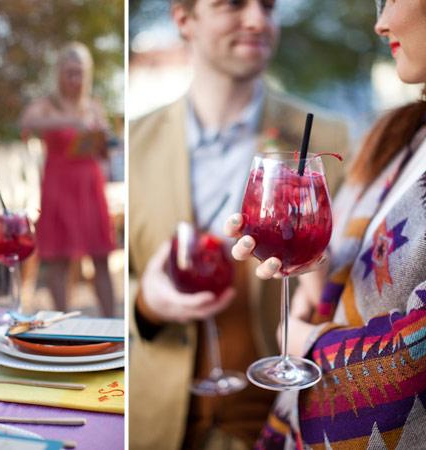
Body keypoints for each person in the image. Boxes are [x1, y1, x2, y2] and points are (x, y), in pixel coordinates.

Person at [129, 0, 350, 449]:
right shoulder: (135, 143)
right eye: (233, 4)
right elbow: (125, 277)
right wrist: (146, 302)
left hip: (283, 420)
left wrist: (322, 285)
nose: (256, 19)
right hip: (157, 423)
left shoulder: (330, 140)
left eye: (268, 6)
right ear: (183, 18)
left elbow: (355, 281)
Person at [224, 0, 426, 447]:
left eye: (395, 0)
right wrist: (315, 277)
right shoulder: (398, 135)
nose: (380, 23)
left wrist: (305, 343)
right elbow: (360, 267)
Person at [21, 42, 116, 317]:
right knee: (58, 259)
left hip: (89, 185)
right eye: (69, 72)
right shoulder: (47, 105)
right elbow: (26, 123)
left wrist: (103, 139)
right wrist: (69, 122)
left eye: (80, 73)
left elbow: (105, 152)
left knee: (101, 257)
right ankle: (64, 323)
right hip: (58, 186)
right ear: (59, 73)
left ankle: (111, 324)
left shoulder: (93, 107)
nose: (74, 79)